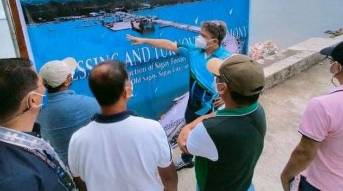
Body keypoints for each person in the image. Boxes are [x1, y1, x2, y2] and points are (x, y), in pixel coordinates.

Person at [127, 20, 231, 170]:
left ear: (214, 41)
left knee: (211, 138)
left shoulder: (227, 59)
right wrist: (145, 40)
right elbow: (168, 44)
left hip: (212, 111)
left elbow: (240, 81)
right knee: (188, 132)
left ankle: (211, 163)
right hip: (193, 106)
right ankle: (187, 159)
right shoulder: (193, 51)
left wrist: (225, 97)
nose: (198, 37)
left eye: (203, 35)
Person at [0, 58, 76, 190]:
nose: (45, 88)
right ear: (33, 100)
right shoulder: (11, 181)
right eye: (42, 83)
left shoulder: (2, 146)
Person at [68, 60, 178, 191]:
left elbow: (80, 182)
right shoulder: (152, 129)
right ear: (126, 92)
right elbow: (169, 177)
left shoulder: (77, 140)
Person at [281, 36, 343, 191]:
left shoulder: (324, 105)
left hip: (323, 185)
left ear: (337, 67)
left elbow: (304, 153)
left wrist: (286, 177)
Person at [177, 54, 266, 190]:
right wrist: (191, 125)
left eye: (216, 76)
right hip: (243, 184)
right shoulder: (257, 110)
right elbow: (216, 114)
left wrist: (186, 129)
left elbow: (185, 146)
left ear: (222, 88)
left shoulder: (210, 130)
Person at [38, 57, 100, 165]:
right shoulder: (89, 104)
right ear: (67, 81)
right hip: (91, 166)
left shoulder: (39, 115)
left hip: (64, 170)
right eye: (70, 74)